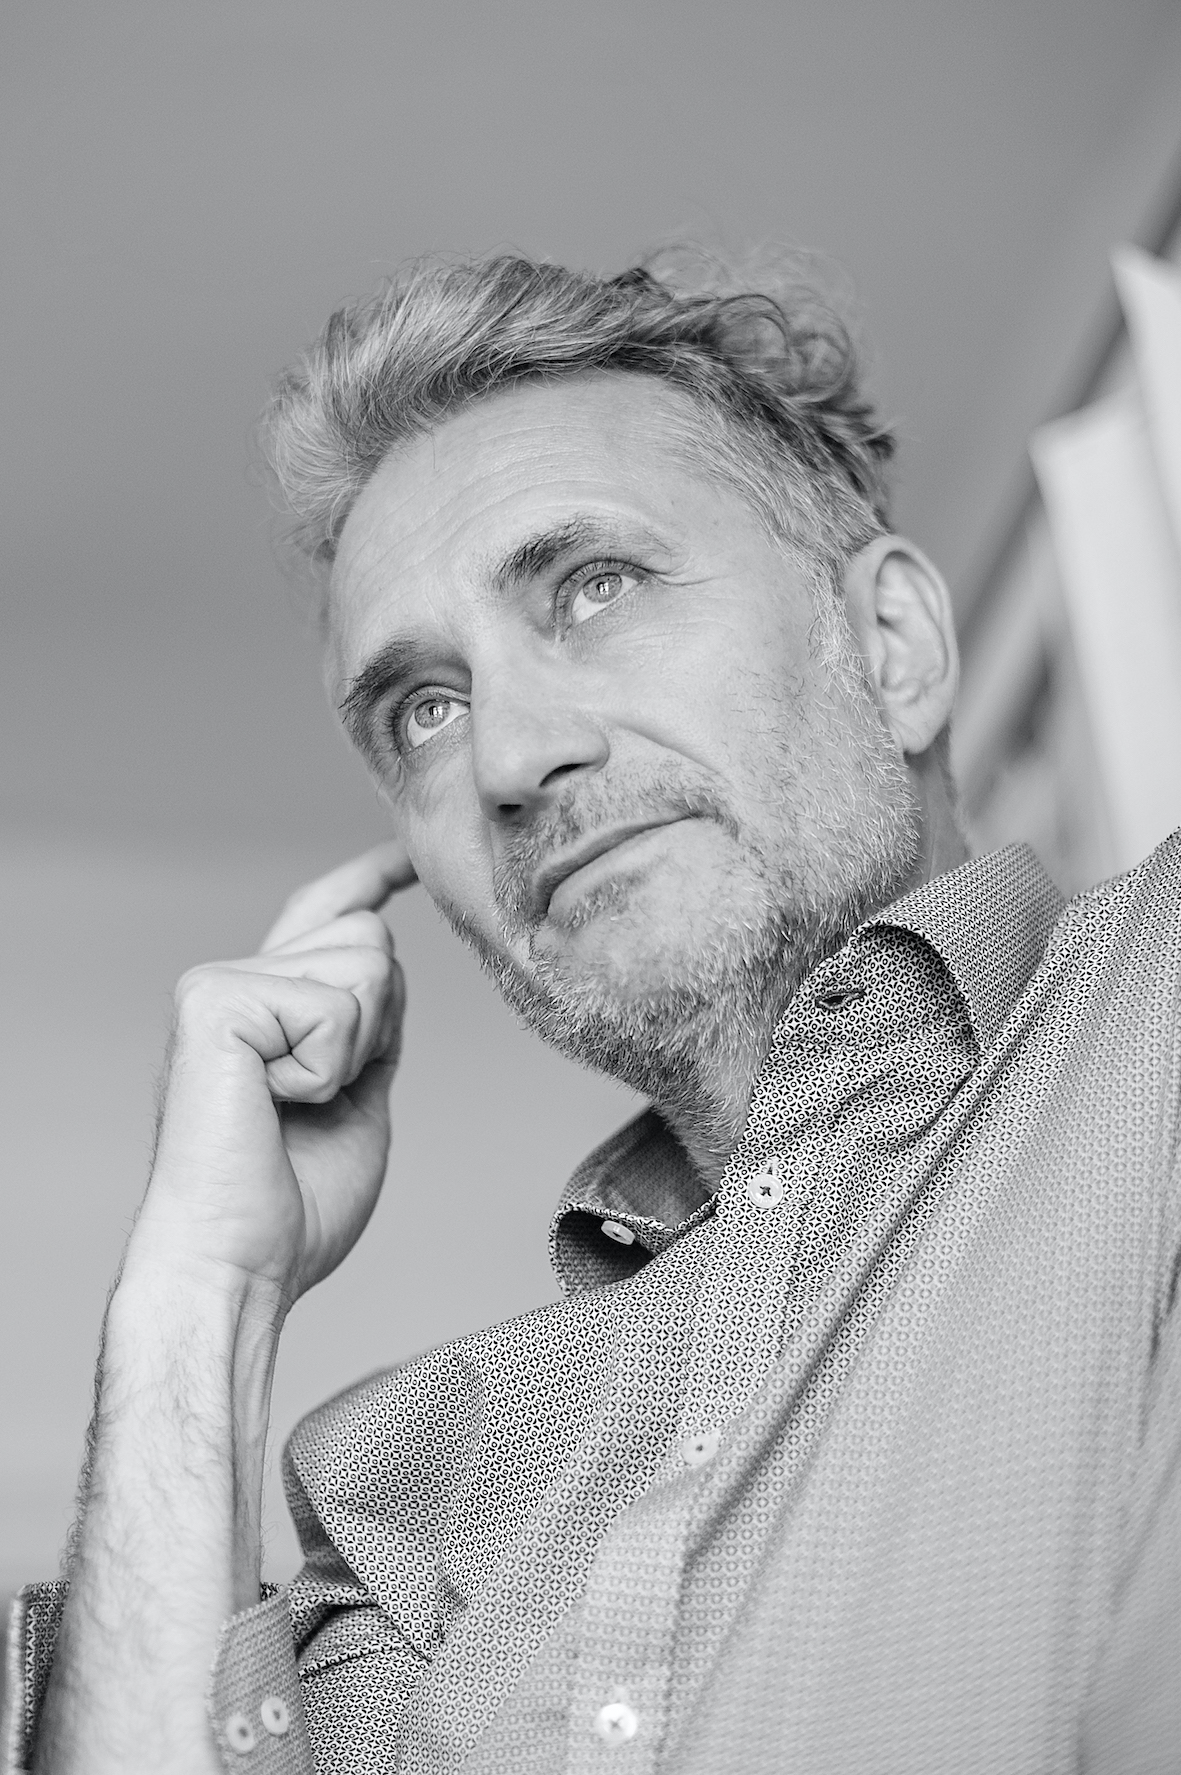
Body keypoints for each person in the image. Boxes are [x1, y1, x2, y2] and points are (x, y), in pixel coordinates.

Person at [6, 249, 1179, 1775]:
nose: (509, 758)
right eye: (425, 709)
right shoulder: (405, 1494)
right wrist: (199, 1292)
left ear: (890, 648)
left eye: (594, 588)